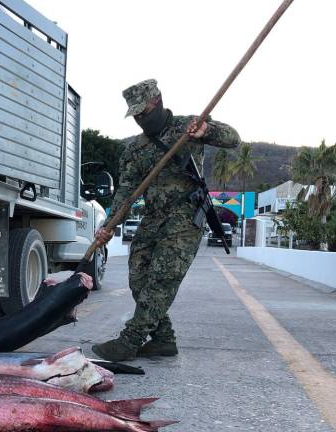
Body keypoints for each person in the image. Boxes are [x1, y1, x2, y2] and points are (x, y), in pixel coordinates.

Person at [91, 79, 240, 361]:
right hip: (153, 218)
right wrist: (108, 225)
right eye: (135, 115)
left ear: (157, 102)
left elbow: (233, 138)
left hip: (184, 218)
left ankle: (130, 340)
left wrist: (207, 129)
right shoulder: (135, 149)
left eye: (143, 113)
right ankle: (163, 339)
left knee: (161, 280)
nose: (139, 119)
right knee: (138, 278)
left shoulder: (189, 127)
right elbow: (126, 191)